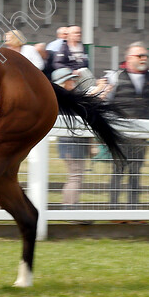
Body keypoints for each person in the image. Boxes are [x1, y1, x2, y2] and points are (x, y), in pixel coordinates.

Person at [105, 42, 149, 208]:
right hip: (120, 135)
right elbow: (106, 102)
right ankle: (113, 210)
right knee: (118, 172)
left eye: (146, 55)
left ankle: (134, 209)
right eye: (140, 56)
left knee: (135, 173)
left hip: (140, 135)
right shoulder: (115, 77)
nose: (144, 59)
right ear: (129, 58)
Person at [51, 68, 91, 217]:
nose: (73, 82)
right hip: (71, 143)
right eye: (70, 79)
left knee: (74, 175)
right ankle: (70, 208)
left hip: (71, 143)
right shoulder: (63, 99)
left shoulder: (65, 97)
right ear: (62, 82)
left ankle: (70, 206)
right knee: (75, 176)